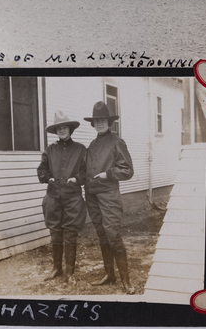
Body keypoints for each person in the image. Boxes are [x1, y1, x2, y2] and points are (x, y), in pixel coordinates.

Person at [83, 101, 136, 294]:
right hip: (92, 196)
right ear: (93, 123)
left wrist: (108, 174)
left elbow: (128, 170)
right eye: (97, 121)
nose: (100, 124)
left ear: (109, 122)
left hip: (109, 196)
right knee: (102, 235)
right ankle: (109, 274)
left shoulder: (116, 142)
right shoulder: (92, 144)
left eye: (103, 120)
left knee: (113, 235)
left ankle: (126, 281)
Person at [37, 111, 87, 285]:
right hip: (53, 198)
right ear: (56, 131)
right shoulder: (50, 150)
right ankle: (57, 269)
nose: (62, 130)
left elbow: (86, 172)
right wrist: (48, 178)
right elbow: (41, 170)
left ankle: (70, 273)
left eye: (64, 127)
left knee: (70, 234)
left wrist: (77, 179)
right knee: (55, 233)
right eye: (59, 128)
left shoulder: (81, 149)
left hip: (72, 198)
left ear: (70, 129)